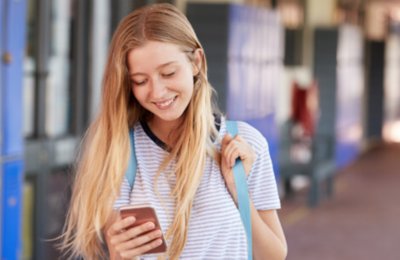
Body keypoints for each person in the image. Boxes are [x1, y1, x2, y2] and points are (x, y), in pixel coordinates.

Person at [60, 3, 287, 260]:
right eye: (140, 81)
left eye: (168, 73)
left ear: (196, 62)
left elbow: (274, 255)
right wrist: (119, 255)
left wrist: (239, 192)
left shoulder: (245, 143)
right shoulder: (120, 150)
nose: (157, 92)